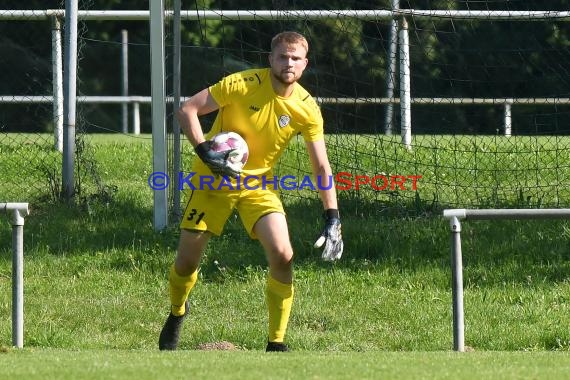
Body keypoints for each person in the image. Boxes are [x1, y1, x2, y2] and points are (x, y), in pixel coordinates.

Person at [158, 31, 343, 352]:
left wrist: (333, 217)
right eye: (282, 56)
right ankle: (177, 312)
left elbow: (321, 166)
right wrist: (205, 152)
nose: (289, 63)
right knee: (187, 263)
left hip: (258, 185)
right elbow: (186, 109)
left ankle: (276, 342)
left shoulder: (307, 108)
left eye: (295, 58)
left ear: (305, 64)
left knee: (284, 255)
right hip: (212, 180)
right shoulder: (240, 84)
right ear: (270, 59)